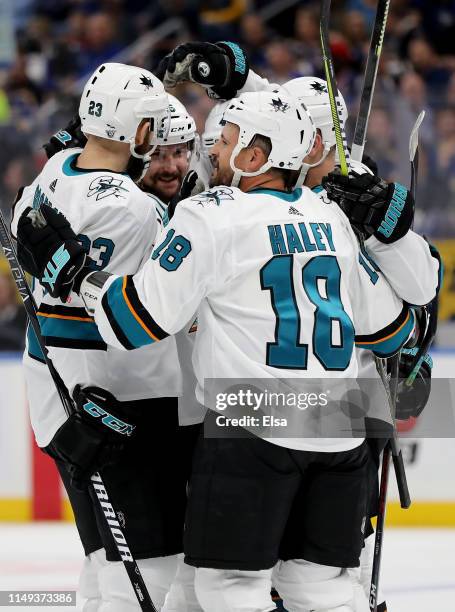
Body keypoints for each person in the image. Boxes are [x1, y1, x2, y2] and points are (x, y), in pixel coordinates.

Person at [17, 88, 417, 612]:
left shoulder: (211, 215)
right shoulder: (333, 220)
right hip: (338, 434)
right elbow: (393, 330)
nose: (213, 153)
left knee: (228, 590)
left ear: (256, 156)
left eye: (225, 142)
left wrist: (77, 275)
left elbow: (133, 322)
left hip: (253, 432)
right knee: (319, 588)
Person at [157, 42, 441, 612]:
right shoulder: (280, 190)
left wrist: (395, 230)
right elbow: (404, 315)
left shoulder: (349, 194)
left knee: (243, 583)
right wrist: (237, 75)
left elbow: (422, 287)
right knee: (233, 582)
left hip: (292, 413)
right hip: (294, 414)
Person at [11, 62, 200, 611]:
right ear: (137, 132)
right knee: (151, 568)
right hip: (128, 401)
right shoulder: (138, 210)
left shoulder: (51, 175)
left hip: (58, 395)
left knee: (102, 558)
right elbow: (169, 302)